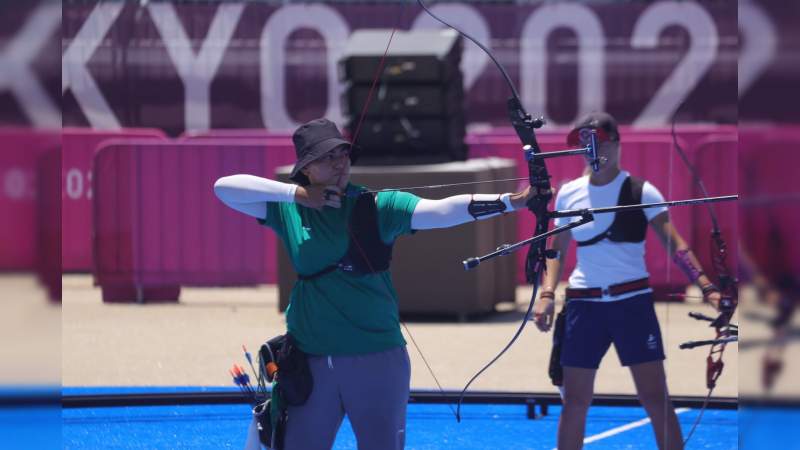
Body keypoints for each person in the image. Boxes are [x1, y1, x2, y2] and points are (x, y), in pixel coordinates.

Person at [214, 118, 536, 450]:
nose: (339, 162)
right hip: (310, 359)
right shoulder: (288, 209)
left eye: (342, 154)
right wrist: (297, 194)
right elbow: (224, 188)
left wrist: (513, 201)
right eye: (327, 157)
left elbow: (441, 211)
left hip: (375, 359)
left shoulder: (375, 206)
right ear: (306, 169)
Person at [531, 112, 723, 450]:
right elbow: (555, 251)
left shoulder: (642, 192)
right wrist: (547, 294)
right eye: (584, 145)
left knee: (654, 397)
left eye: (598, 143)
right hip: (584, 305)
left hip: (631, 304)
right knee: (575, 400)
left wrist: (707, 287)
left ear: (616, 144)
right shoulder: (569, 194)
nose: (591, 152)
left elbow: (675, 244)